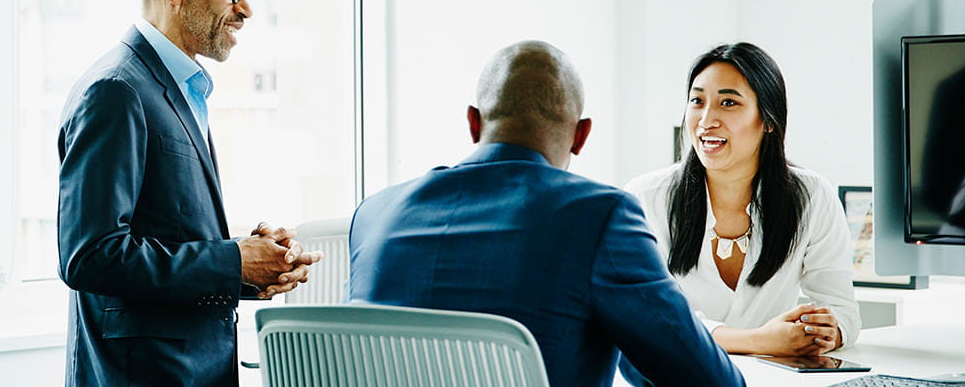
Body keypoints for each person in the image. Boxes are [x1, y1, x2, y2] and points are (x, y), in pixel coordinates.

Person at [347, 40, 744, 387]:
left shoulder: (372, 215)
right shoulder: (600, 215)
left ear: (473, 122)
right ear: (581, 135)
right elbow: (708, 379)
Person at [56, 0, 322, 387]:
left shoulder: (178, 89)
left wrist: (250, 264)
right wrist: (232, 262)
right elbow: (90, 257)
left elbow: (165, 234)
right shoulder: (116, 91)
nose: (246, 9)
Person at [624, 42, 861, 357]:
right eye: (697, 101)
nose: (706, 119)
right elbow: (650, 320)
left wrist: (828, 330)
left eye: (728, 103)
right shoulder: (644, 198)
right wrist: (761, 340)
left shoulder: (812, 196)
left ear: (768, 120)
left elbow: (842, 307)